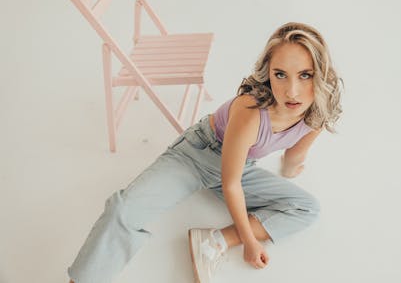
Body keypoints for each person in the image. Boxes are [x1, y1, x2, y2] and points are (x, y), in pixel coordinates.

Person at [67, 22, 343, 283]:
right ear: (268, 73)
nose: (292, 91)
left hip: (241, 164)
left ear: (321, 74)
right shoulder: (251, 111)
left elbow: (293, 156)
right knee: (123, 209)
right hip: (197, 156)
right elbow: (230, 184)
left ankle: (217, 240)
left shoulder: (316, 115)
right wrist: (250, 241)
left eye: (305, 75)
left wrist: (291, 170)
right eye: (280, 74)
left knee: (307, 208)